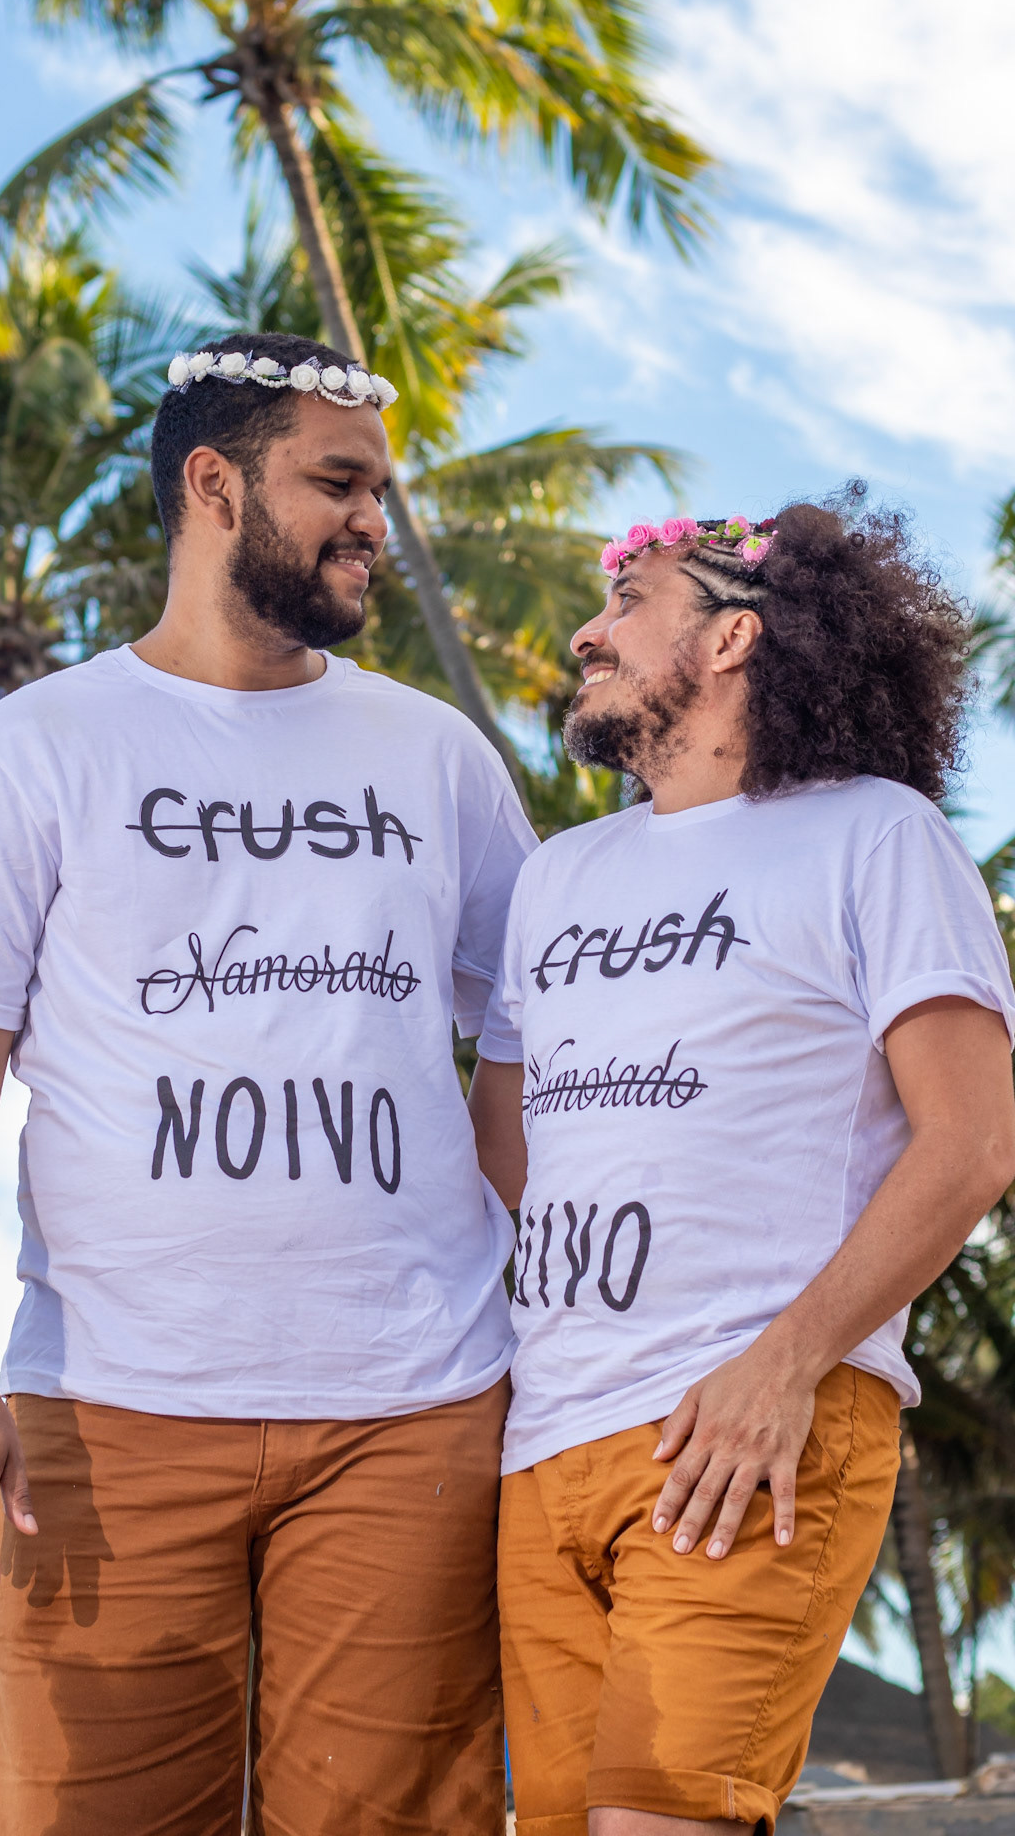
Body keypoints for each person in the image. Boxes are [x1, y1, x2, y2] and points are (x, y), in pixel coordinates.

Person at [0, 332, 535, 1836]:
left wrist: (522, 1267)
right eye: (339, 483)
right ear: (215, 486)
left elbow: (535, 1029)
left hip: (415, 1408)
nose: (373, 521)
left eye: (379, 491)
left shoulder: (436, 757)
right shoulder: (37, 746)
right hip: (107, 1409)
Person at [468, 499, 1015, 1836]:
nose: (587, 634)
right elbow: (509, 1138)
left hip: (755, 1421)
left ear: (732, 639)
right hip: (548, 1444)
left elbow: (974, 1143)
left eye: (628, 602)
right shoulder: (559, 877)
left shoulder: (876, 836)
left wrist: (782, 1365)